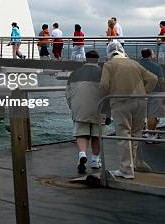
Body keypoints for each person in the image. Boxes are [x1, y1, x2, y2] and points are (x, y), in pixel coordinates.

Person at [99, 41, 157, 179]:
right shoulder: (134, 63)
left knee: (123, 134)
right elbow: (153, 79)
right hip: (141, 101)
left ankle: (126, 170)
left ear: (109, 53)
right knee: (136, 134)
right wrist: (145, 92)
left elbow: (103, 85)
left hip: (120, 102)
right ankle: (132, 165)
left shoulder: (109, 65)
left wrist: (108, 97)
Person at [66, 50, 106, 173]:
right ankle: (95, 160)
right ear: (98, 60)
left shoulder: (74, 73)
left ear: (86, 59)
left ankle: (82, 154)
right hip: (99, 108)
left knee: (81, 133)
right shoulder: (103, 72)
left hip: (79, 108)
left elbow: (68, 93)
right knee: (96, 135)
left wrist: (73, 107)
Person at [138, 49, 164, 141]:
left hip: (139, 92)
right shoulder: (156, 67)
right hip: (154, 92)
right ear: (150, 55)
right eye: (153, 53)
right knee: (152, 114)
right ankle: (151, 136)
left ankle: (141, 132)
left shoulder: (137, 65)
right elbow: (161, 81)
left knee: (141, 113)